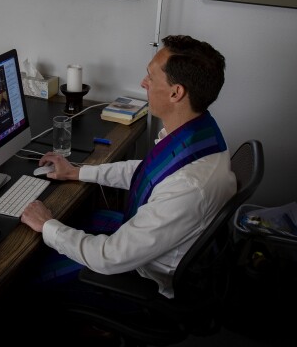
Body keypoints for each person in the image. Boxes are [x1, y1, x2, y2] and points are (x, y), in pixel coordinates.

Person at [20, 35, 235, 299]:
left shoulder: (188, 185)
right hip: (146, 244)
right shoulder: (198, 134)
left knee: (26, 276)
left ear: (176, 93)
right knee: (75, 220)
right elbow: (148, 171)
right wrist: (77, 171)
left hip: (140, 278)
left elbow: (108, 257)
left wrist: (47, 225)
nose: (143, 83)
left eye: (151, 77)